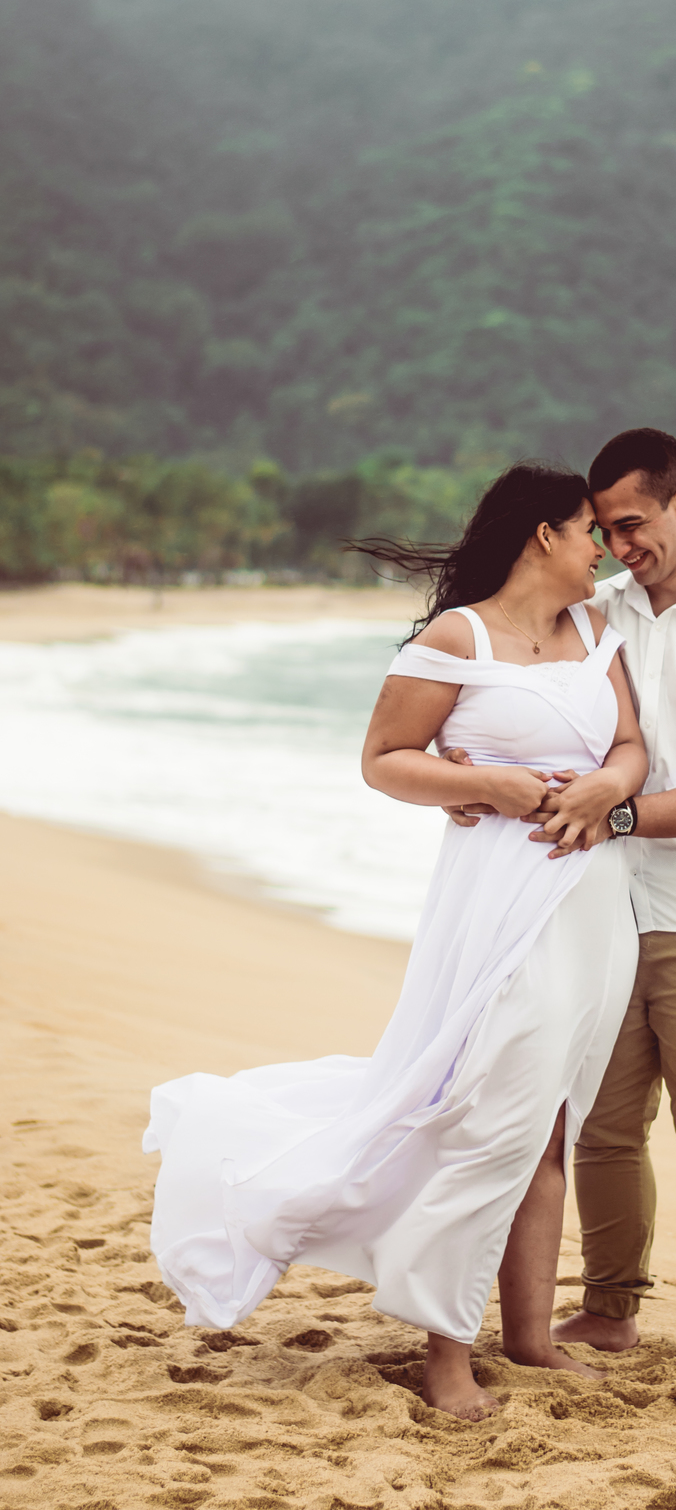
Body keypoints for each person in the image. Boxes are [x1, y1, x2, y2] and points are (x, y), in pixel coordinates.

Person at [143, 464, 647, 1422]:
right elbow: (384, 761)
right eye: (590, 530)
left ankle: (531, 1340)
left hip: (595, 905)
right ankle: (445, 1356)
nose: (605, 551)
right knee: (491, 1125)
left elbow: (630, 746)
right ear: (544, 535)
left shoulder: (595, 632)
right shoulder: (457, 639)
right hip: (502, 903)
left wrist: (607, 789)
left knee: (550, 1131)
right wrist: (488, 789)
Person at [448, 428, 676, 1375]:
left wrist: (614, 815)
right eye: (603, 530)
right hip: (597, 908)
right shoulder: (598, 611)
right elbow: (521, 689)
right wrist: (465, 763)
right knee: (601, 1124)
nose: (616, 546)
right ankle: (609, 1312)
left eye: (634, 524)